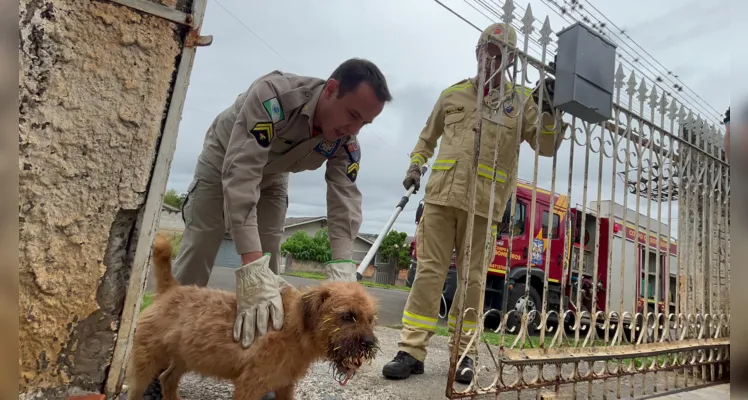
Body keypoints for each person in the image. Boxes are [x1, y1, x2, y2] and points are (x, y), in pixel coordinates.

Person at [143, 58, 392, 400]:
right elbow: (242, 173)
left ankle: (268, 367)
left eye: (366, 122)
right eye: (352, 114)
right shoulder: (274, 97)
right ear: (331, 89)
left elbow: (344, 198)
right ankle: (158, 364)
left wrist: (344, 264)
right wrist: (249, 262)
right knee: (202, 245)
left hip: (275, 174)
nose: (355, 129)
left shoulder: (346, 143)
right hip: (226, 159)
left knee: (269, 255)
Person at [381, 22, 565, 383]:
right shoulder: (453, 95)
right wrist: (415, 167)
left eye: (498, 53)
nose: (489, 58)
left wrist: (548, 108)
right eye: (485, 50)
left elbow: (546, 146)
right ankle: (411, 350)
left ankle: (463, 354)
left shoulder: (521, 103)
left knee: (473, 281)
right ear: (477, 52)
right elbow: (425, 139)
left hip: (484, 204)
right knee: (429, 275)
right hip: (440, 196)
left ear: (511, 60)